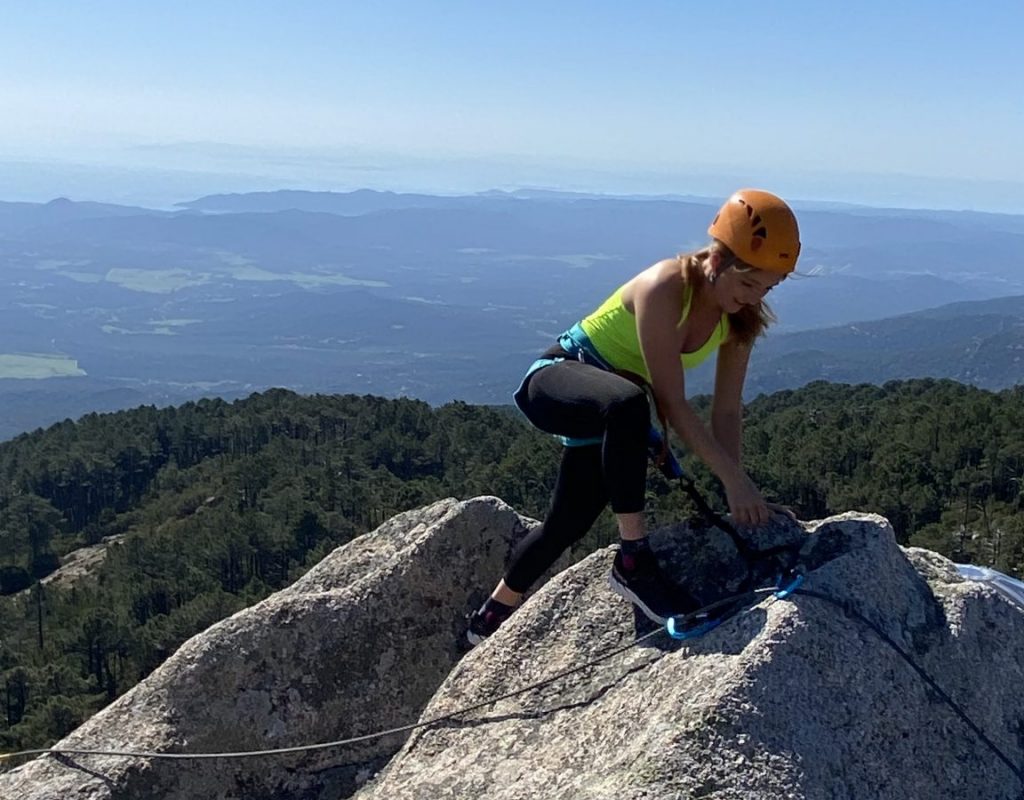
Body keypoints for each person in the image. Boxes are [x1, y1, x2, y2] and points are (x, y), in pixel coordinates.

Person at [468, 189, 801, 645]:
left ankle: (485, 620)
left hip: (611, 411)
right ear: (718, 261)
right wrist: (733, 481)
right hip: (556, 380)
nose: (754, 298)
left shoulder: (739, 320)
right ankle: (633, 561)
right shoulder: (665, 286)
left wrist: (738, 489)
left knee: (566, 524)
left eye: (767, 287)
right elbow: (671, 400)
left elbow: (726, 410)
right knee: (628, 404)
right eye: (749, 284)